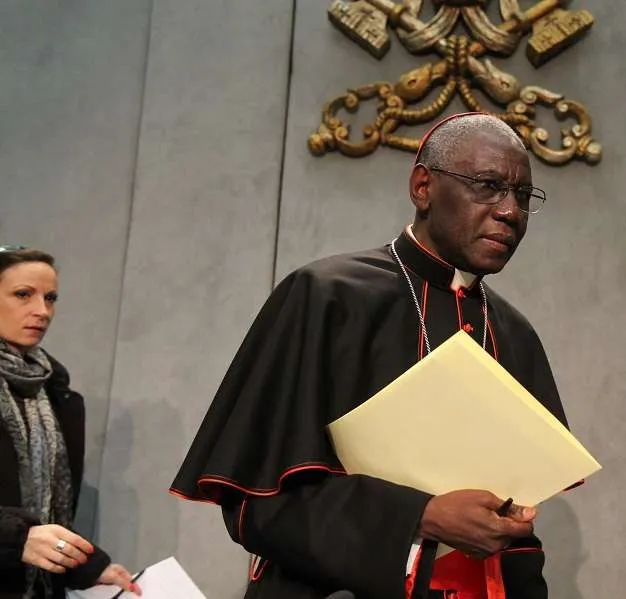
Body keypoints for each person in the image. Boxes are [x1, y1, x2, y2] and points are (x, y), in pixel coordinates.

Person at [170, 113, 578, 599]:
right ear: (423, 187)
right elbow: (255, 506)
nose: (510, 211)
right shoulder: (326, 297)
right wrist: (422, 516)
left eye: (523, 196)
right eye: (488, 186)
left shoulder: (516, 336)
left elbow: (517, 528)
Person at [0, 246, 141, 599]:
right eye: (22, 295)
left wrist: (89, 568)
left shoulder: (57, 396)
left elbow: (49, 514)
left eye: (50, 298)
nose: (42, 311)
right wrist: (14, 538)